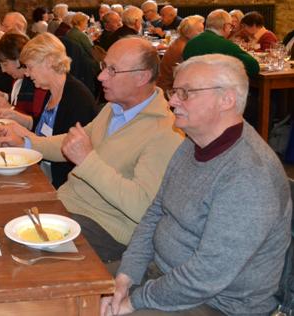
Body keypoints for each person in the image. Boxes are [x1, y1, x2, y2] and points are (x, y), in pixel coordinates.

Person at [103, 54, 291, 316]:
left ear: (227, 100)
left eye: (185, 93)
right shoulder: (192, 142)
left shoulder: (249, 175)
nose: (172, 101)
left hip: (220, 304)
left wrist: (134, 302)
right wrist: (126, 276)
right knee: (75, 289)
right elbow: (156, 211)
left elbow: (207, 274)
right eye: (174, 91)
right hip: (163, 276)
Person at [0, 37, 183, 262]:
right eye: (104, 67)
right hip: (68, 205)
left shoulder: (166, 132)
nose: (101, 76)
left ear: (141, 77)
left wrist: (87, 160)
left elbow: (142, 206)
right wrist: (25, 143)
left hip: (106, 228)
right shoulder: (114, 109)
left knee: (12, 255)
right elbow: (70, 141)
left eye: (112, 70)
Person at [0, 33, 97, 187]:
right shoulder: (51, 90)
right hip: (41, 169)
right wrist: (18, 121)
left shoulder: (77, 98)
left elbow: (67, 150)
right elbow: (44, 127)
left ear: (49, 62)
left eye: (30, 67)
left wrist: (25, 137)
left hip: (62, 183)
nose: (27, 74)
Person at [0, 33, 47, 130]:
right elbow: (18, 99)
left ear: (19, 59)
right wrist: (6, 96)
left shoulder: (35, 83)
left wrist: (9, 108)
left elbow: (36, 122)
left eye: (5, 64)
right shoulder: (18, 79)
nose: (3, 70)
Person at [182, 9, 260, 78]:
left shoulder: (190, 43)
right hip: (218, 90)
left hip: (193, 89)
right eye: (230, 26)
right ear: (225, 26)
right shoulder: (226, 45)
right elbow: (253, 67)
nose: (230, 29)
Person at [155, 15, 204, 92]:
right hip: (170, 89)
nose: (202, 34)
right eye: (199, 30)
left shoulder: (180, 41)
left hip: (166, 85)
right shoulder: (184, 48)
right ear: (188, 32)